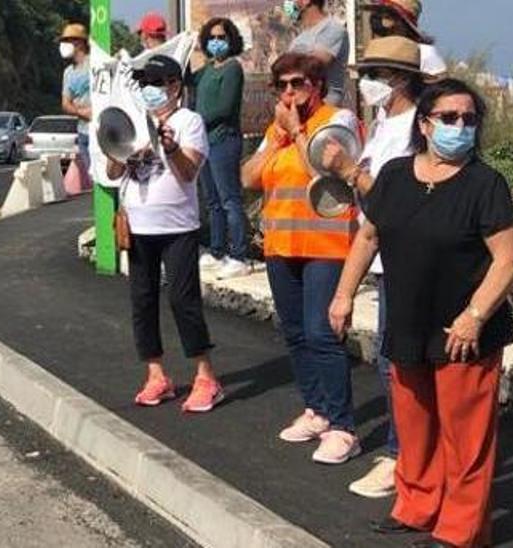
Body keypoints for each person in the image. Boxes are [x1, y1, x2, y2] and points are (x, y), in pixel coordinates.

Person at [329, 78, 513, 548]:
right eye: (450, 117)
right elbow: (369, 237)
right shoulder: (395, 175)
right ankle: (417, 505)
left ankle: (461, 530)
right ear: (425, 123)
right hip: (408, 324)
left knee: (466, 437)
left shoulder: (485, 184)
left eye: (470, 119)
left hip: (464, 332)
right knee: (414, 426)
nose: (461, 126)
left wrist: (475, 315)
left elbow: (510, 257)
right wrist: (343, 295)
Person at [242, 52, 362, 464]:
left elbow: (326, 169)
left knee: (321, 334)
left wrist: (295, 131)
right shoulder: (277, 130)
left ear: (317, 86)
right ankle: (317, 410)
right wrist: (278, 136)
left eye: (299, 83)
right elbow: (249, 178)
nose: (290, 93)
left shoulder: (336, 121)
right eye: (283, 86)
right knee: (294, 332)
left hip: (326, 247)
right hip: (282, 245)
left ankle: (344, 426)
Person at [321, 35, 427, 499]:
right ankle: (407, 453)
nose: (365, 84)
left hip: (406, 260)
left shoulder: (416, 130)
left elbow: (396, 200)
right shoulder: (384, 122)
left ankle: (403, 456)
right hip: (382, 256)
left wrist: (348, 170)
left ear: (398, 78)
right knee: (392, 362)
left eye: (372, 75)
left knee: (397, 363)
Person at [108, 55, 224, 413]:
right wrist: (123, 154)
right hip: (139, 225)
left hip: (177, 227)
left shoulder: (189, 121)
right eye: (143, 84)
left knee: (182, 300)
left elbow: (189, 172)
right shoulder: (134, 122)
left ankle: (206, 376)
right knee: (142, 302)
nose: (148, 90)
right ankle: (156, 374)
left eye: (154, 83)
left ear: (174, 86)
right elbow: (113, 171)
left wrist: (169, 146)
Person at [193, 17, 249, 280]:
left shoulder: (232, 68)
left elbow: (225, 108)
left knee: (229, 200)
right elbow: (182, 78)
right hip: (205, 142)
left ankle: (239, 255)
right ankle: (217, 252)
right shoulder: (206, 70)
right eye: (212, 38)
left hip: (224, 141)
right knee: (212, 201)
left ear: (230, 40)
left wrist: (196, 120)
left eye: (221, 38)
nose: (216, 42)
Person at [361, 0, 447, 81]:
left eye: (388, 15)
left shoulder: (425, 53)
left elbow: (440, 87)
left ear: (404, 25)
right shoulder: (373, 48)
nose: (380, 19)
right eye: (379, 13)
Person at [284, 0, 350, 105]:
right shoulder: (297, 40)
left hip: (325, 109)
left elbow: (314, 65)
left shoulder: (334, 29)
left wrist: (288, 63)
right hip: (299, 107)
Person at [60, 23, 92, 174]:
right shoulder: (68, 72)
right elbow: (65, 104)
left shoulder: (95, 64)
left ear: (79, 42)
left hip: (99, 130)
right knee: (93, 177)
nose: (63, 45)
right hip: (82, 133)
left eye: (67, 41)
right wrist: (82, 113)